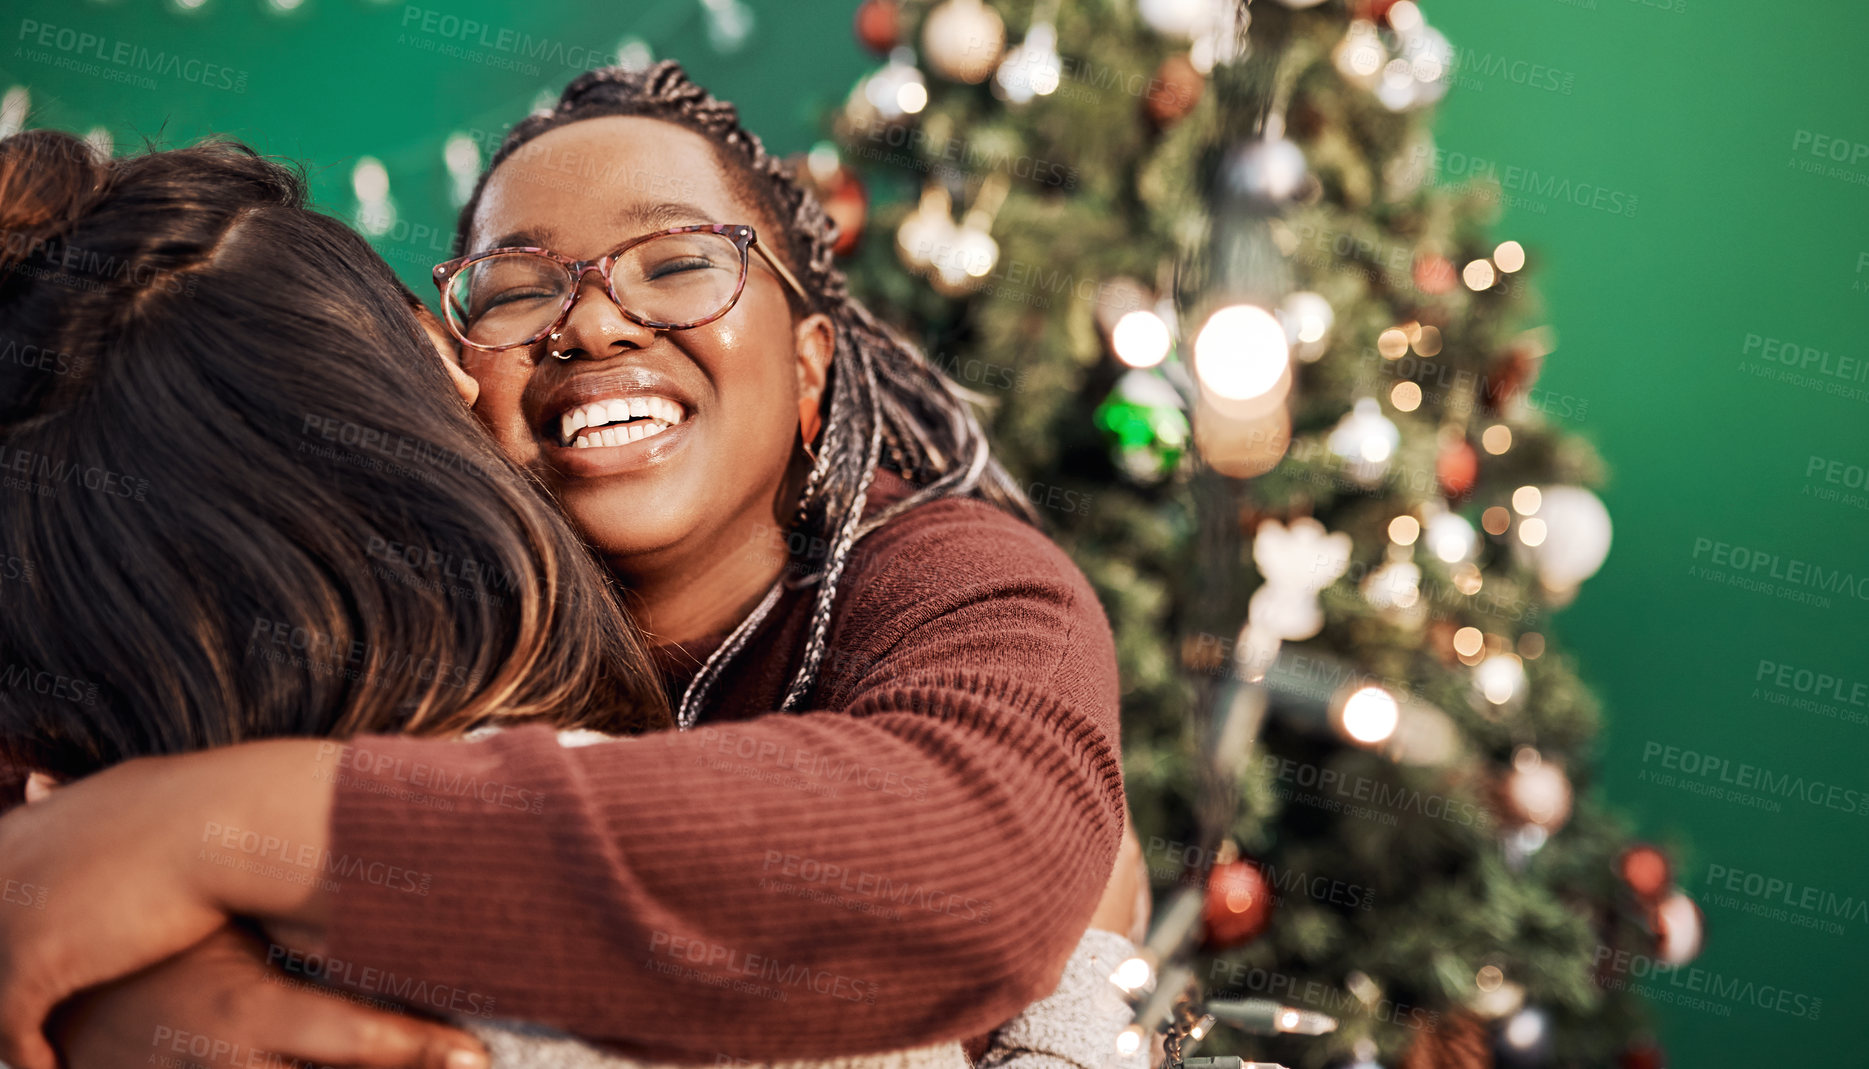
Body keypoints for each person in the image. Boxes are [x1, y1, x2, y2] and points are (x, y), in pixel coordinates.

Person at [0, 62, 1133, 1067]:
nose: (593, 326)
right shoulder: (326, 626)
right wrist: (116, 992)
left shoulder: (958, 577)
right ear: (445, 380)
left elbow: (979, 863)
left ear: (809, 372)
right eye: (517, 287)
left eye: (681, 263)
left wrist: (195, 830)